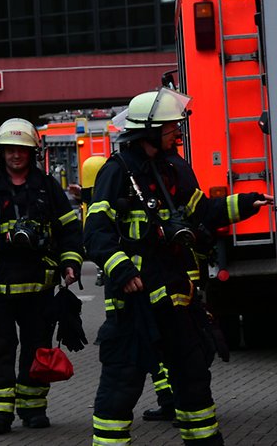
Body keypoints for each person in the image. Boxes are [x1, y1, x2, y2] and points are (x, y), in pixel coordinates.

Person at [84, 88, 273, 445]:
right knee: (122, 385)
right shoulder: (117, 171)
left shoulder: (175, 169)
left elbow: (203, 213)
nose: (176, 133)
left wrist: (248, 203)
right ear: (149, 131)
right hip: (134, 302)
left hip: (175, 297)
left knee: (193, 379)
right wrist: (123, 271)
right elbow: (95, 232)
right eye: (170, 127)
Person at [0, 118, 84, 436]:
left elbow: (69, 230)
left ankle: (33, 407)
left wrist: (70, 263)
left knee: (36, 347)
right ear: (1, 152)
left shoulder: (46, 187)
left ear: (32, 153)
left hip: (38, 285)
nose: (15, 155)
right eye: (10, 149)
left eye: (22, 150)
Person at [80, 154, 177, 423]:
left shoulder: (111, 182)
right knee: (158, 345)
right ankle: (170, 399)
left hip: (129, 290)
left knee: (139, 352)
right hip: (143, 283)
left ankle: (169, 399)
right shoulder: (140, 176)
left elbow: (92, 233)